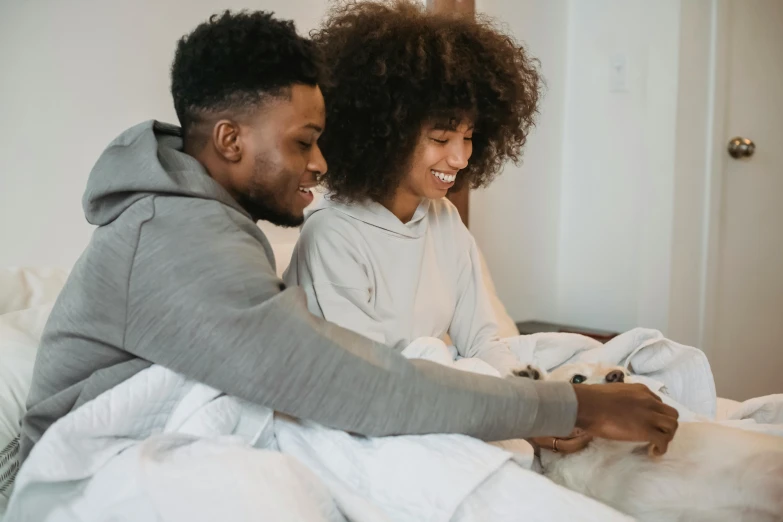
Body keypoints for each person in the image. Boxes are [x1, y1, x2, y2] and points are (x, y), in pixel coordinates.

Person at [21, 9, 675, 467]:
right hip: (91, 467)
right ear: (230, 139)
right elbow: (342, 381)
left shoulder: (202, 220)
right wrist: (569, 408)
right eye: (304, 142)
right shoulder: (172, 238)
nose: (321, 165)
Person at [286, 0, 678, 455]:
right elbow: (371, 383)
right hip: (383, 411)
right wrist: (535, 416)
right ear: (383, 134)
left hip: (438, 393)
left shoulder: (443, 219)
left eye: (469, 137)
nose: (460, 158)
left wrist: (536, 407)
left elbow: (484, 337)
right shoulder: (333, 235)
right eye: (440, 138)